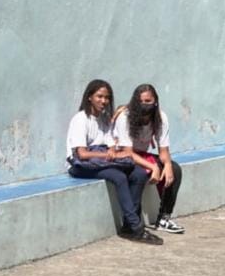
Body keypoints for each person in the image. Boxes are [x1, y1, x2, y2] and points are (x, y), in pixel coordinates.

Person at [66, 80, 159, 245]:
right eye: (99, 96)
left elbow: (110, 143)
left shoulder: (104, 119)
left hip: (100, 161)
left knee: (138, 173)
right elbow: (82, 154)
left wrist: (111, 150)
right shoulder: (80, 119)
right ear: (89, 97)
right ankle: (137, 228)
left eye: (106, 98)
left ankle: (128, 226)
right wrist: (108, 156)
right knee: (119, 177)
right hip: (81, 165)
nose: (103, 101)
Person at [113, 84, 184, 234]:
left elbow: (163, 151)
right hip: (122, 156)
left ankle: (164, 218)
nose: (144, 105)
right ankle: (133, 223)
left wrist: (168, 166)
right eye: (141, 101)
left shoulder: (161, 118)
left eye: (148, 101)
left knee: (175, 170)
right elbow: (127, 152)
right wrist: (153, 167)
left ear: (155, 101)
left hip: (141, 155)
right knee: (139, 173)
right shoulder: (124, 117)